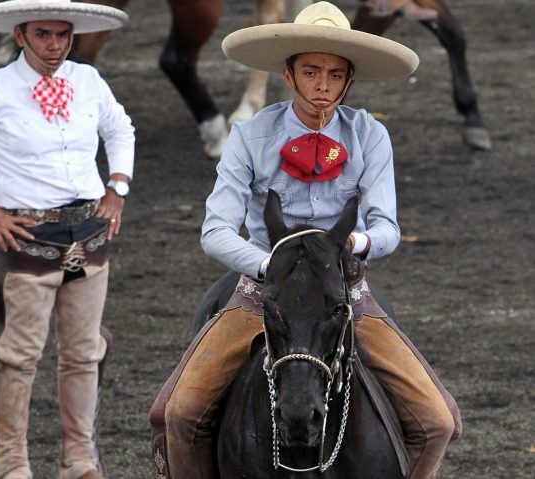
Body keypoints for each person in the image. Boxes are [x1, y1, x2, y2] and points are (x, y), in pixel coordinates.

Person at [149, 2, 461, 479]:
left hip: (343, 294)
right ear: (289, 74)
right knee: (177, 414)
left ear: (349, 78)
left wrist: (352, 246)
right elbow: (215, 231)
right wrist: (268, 266)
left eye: (335, 74)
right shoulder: (250, 136)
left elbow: (387, 228)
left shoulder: (370, 136)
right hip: (261, 294)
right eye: (312, 71)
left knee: (438, 421)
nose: (323, 85)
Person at [0, 1, 134, 478]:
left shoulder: (88, 81)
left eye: (63, 35)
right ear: (20, 35)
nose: (56, 45)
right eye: (44, 35)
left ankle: (79, 460)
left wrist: (117, 187)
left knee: (84, 352)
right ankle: (11, 465)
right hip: (28, 239)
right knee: (18, 357)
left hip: (88, 233)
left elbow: (120, 128)